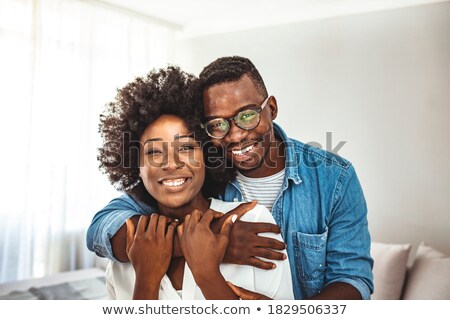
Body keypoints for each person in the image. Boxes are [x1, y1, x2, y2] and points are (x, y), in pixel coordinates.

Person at [87, 56, 374, 300]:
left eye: (247, 116)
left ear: (271, 109)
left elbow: (353, 279)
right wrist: (211, 240)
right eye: (218, 124)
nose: (236, 134)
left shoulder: (334, 178)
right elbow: (101, 226)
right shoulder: (205, 172)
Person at [97, 66, 294, 299]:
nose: (171, 164)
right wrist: (146, 281)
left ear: (207, 155)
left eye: (187, 147)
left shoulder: (252, 223)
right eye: (154, 152)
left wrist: (206, 273)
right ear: (135, 165)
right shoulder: (124, 252)